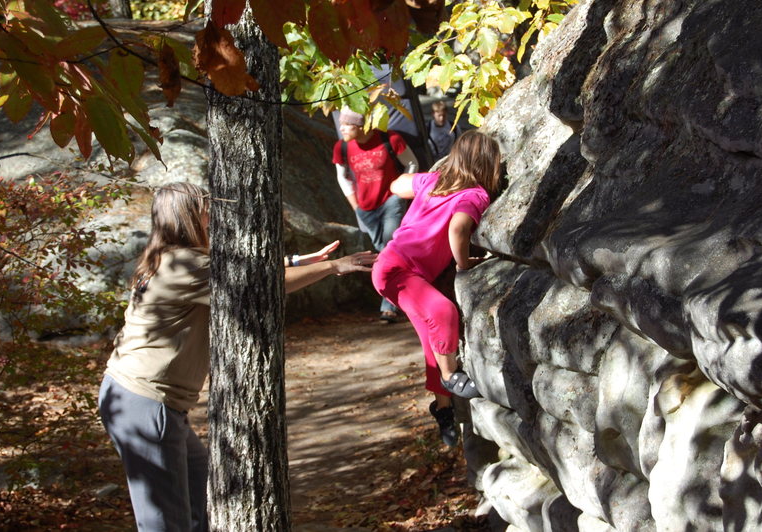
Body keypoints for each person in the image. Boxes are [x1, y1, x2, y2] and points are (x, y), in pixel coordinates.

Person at [98, 182, 377, 532]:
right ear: (187, 218)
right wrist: (335, 267)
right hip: (145, 401)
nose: (211, 216)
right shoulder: (182, 264)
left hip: (140, 398)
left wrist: (293, 261)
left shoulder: (166, 256)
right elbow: (255, 283)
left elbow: (235, 269)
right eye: (204, 209)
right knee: (164, 523)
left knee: (199, 494)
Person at [371, 131, 500, 448]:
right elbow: (458, 228)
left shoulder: (435, 181)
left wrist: (417, 179)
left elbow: (397, 186)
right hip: (398, 270)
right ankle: (450, 378)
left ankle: (442, 411)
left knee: (433, 341)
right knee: (442, 312)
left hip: (393, 267)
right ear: (487, 165)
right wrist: (464, 263)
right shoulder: (475, 194)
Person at [332, 107, 419, 323]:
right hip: (365, 208)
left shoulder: (390, 138)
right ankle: (405, 295)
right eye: (341, 123)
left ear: (360, 126)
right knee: (382, 251)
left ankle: (388, 306)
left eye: (346, 124)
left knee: (388, 248)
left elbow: (412, 163)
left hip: (392, 201)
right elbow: (342, 177)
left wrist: (401, 191)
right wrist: (355, 206)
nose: (341, 128)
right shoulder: (342, 146)